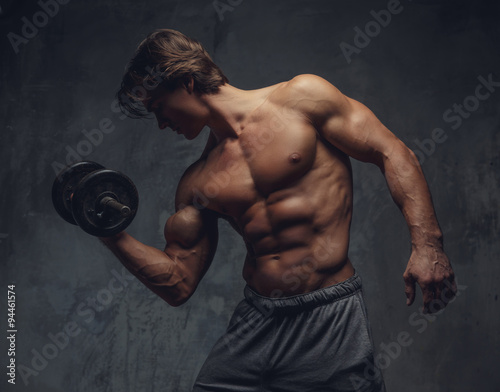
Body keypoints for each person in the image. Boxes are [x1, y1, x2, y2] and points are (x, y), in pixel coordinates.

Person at [100, 29, 456, 391]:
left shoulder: (302, 98)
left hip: (329, 319)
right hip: (257, 323)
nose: (161, 124)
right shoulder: (197, 181)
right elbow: (178, 282)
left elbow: (392, 152)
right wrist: (107, 230)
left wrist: (428, 245)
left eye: (158, 108)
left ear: (186, 82)